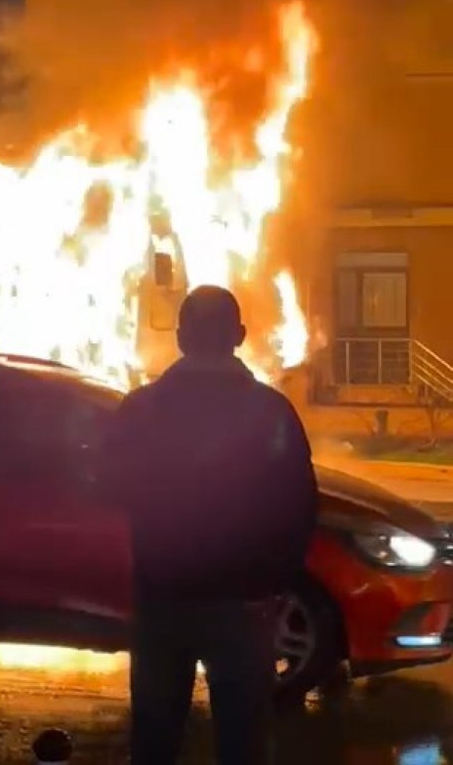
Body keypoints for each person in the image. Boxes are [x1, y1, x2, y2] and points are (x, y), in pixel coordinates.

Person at [103, 286, 317, 765]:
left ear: (180, 338)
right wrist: (275, 587)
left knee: (155, 741)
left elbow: (111, 487)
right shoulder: (271, 412)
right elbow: (299, 508)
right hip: (244, 605)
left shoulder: (139, 410)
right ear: (239, 336)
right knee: (243, 743)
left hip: (162, 602)